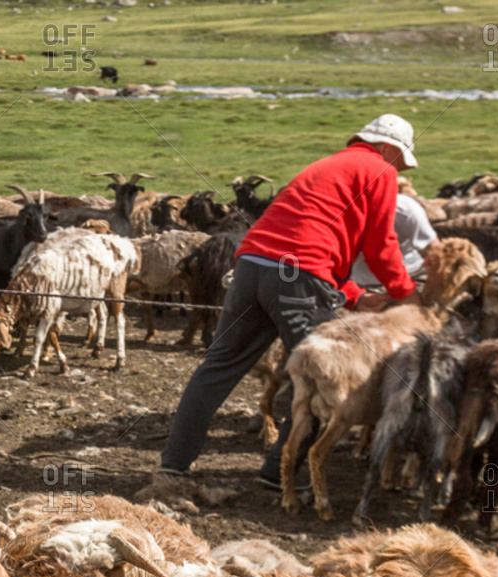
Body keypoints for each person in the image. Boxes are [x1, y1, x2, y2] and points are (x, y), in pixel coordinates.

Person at [159, 113, 420, 490]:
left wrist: (355, 297)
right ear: (385, 148)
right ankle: (279, 472)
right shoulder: (378, 170)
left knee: (218, 366)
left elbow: (304, 236)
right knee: (322, 374)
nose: (398, 167)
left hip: (252, 266)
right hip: (298, 276)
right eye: (399, 158)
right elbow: (381, 247)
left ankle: (174, 463)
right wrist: (406, 295)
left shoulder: (325, 166)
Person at [347, 187, 437, 291]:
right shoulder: (341, 211)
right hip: (365, 284)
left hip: (412, 274)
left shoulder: (405, 208)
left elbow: (434, 251)